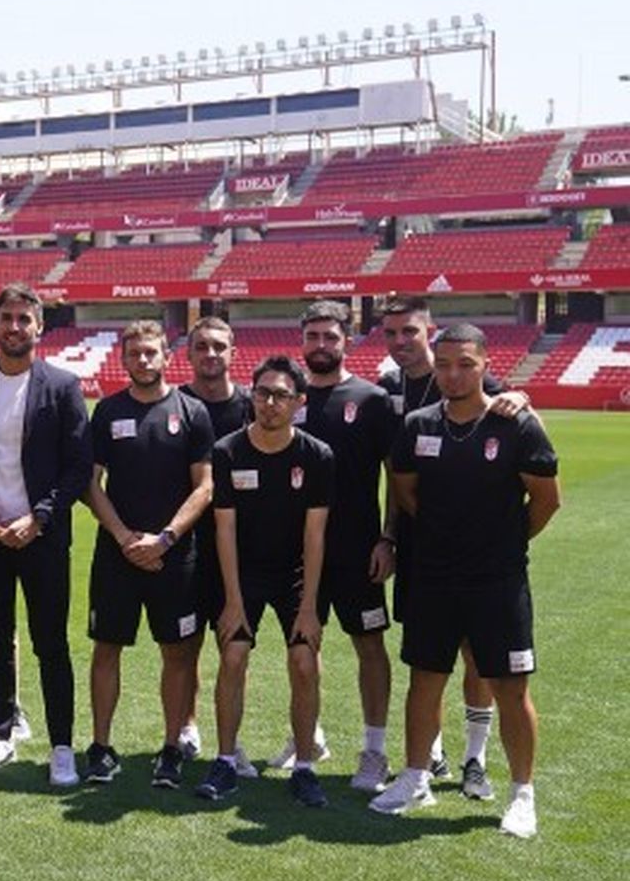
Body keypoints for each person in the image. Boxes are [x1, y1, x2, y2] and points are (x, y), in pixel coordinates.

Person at [371, 323, 560, 838]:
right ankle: (415, 778)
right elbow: (406, 492)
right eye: (444, 365)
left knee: (510, 687)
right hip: (433, 575)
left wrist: (505, 540)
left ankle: (522, 794)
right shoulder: (418, 425)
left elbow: (547, 500)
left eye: (465, 364)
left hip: (498, 579)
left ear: (485, 365)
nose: (453, 374)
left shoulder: (516, 425)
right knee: (425, 678)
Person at [0, 283, 91, 786]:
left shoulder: (63, 386)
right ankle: (0, 734)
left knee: (50, 643)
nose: (14, 327)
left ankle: (61, 746)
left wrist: (40, 516)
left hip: (42, 537)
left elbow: (78, 466)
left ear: (39, 326)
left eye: (23, 319)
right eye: (6, 318)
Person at [195, 355, 334, 808]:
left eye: (280, 395)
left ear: (299, 402)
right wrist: (233, 601)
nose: (270, 403)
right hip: (244, 574)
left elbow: (315, 535)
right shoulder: (228, 451)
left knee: (304, 662)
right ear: (251, 396)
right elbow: (225, 530)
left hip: (295, 576)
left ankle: (305, 766)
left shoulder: (316, 455)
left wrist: (309, 606)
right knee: (233, 656)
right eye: (262, 393)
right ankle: (225, 761)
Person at [85, 320, 215, 789]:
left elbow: (204, 486)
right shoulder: (107, 411)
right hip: (116, 555)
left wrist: (165, 539)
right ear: (123, 358)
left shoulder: (192, 411)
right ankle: (101, 747)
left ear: (167, 356)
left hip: (174, 557)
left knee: (177, 653)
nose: (143, 360)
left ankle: (172, 748)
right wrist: (125, 538)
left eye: (150, 352)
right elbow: (90, 484)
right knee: (107, 648)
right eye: (134, 353)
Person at [286, 301, 398, 793]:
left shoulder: (372, 400)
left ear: (346, 340)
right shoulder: (286, 397)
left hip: (357, 549)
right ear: (302, 341)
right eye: (312, 336)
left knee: (369, 646)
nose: (321, 345)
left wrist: (388, 538)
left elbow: (397, 478)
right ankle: (308, 738)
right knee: (302, 645)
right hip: (296, 550)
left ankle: (374, 750)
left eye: (330, 336)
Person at [178, 315, 256, 774]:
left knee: (234, 649)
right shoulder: (175, 404)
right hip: (186, 549)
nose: (211, 354)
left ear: (233, 353)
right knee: (185, 645)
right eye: (202, 346)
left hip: (242, 550)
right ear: (188, 353)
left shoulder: (252, 406)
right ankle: (187, 726)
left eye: (219, 346)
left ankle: (232, 739)